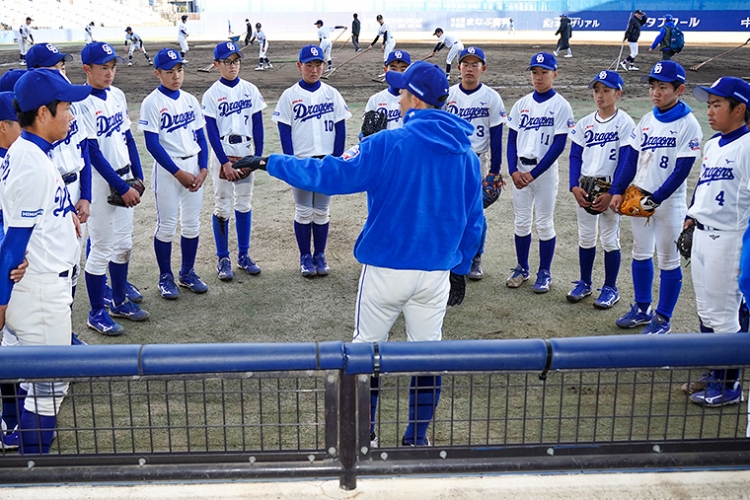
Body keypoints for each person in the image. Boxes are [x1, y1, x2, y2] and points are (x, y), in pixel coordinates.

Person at [234, 60, 484, 448]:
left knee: (366, 352)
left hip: (385, 270)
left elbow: (330, 175)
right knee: (429, 358)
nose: (398, 98)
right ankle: (416, 439)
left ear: (415, 99)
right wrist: (461, 268)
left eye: (402, 91)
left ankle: (364, 433)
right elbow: (474, 222)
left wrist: (272, 162)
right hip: (435, 273)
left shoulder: (389, 143)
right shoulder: (466, 154)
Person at [0, 68, 91, 453]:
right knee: (50, 388)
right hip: (39, 290)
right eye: (66, 107)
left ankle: (15, 441)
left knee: (25, 378)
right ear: (42, 113)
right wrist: (0, 306)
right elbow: (12, 244)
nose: (71, 115)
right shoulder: (31, 162)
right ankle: (31, 476)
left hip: (37, 284)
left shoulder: (32, 152)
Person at [609, 60, 702, 334]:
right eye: (653, 87)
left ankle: (662, 318)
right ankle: (642, 308)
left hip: (668, 203)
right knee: (640, 253)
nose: (656, 92)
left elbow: (682, 170)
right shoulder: (648, 120)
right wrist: (617, 190)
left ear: (679, 89)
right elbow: (630, 159)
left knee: (668, 260)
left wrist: (657, 198)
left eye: (663, 87)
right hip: (639, 198)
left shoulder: (688, 124)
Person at [687, 77, 750, 406]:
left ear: (739, 109)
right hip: (702, 234)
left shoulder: (748, 146)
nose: (709, 111)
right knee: (706, 310)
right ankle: (715, 371)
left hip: (729, 239)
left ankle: (730, 385)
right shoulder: (713, 144)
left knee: (725, 314)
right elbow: (703, 186)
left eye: (717, 105)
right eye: (709, 104)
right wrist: (690, 214)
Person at [79, 42, 149, 336]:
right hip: (101, 182)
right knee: (102, 248)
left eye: (112, 67)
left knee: (123, 245)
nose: (109, 73)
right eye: (103, 67)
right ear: (87, 69)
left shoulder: (118, 95)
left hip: (125, 178)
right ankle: (96, 312)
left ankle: (118, 301)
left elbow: (128, 138)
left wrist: (139, 176)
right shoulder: (82, 102)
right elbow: (92, 151)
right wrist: (121, 186)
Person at [26, 43, 93, 333]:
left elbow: (84, 151)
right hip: (55, 198)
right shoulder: (36, 119)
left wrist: (87, 196)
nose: (61, 71)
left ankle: (65, 330)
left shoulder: (67, 105)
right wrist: (67, 208)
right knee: (52, 270)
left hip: (75, 188)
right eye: (54, 67)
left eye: (62, 66)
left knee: (72, 264)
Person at [271, 45, 351, 277]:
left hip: (326, 161)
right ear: (300, 66)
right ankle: (305, 255)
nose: (314, 69)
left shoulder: (332, 93)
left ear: (323, 66)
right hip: (302, 162)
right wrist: (291, 163)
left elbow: (340, 127)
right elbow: (284, 130)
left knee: (322, 211)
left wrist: (336, 160)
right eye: (309, 64)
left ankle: (320, 254)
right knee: (304, 211)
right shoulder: (290, 95)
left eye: (318, 64)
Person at [139, 48, 209, 299]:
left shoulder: (190, 99)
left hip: (192, 166)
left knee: (191, 224)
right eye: (169, 71)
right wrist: (178, 172)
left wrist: (203, 168)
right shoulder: (152, 102)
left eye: (179, 69)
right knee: (167, 226)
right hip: (170, 171)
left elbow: (201, 136)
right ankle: (165, 276)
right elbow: (152, 144)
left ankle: (187, 272)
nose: (176, 75)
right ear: (157, 73)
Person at [506, 52, 575, 293]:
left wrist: (533, 174)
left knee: (544, 223)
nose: (538, 76)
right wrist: (513, 170)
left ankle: (544, 271)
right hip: (521, 170)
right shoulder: (521, 104)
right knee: (522, 221)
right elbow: (511, 139)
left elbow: (558, 145)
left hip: (543, 172)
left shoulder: (561, 105)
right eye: (535, 72)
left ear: (554, 74)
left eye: (544, 72)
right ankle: (522, 268)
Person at [567, 70, 635, 308]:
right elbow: (575, 156)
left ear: (618, 93)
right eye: (597, 90)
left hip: (610, 189)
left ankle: (610, 288)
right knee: (586, 237)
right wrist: (574, 186)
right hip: (585, 186)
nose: (600, 95)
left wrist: (614, 192)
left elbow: (627, 160)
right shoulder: (585, 123)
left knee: (609, 239)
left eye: (606, 90)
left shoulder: (624, 122)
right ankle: (585, 283)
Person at [202, 42, 266, 281]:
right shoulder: (211, 94)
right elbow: (210, 130)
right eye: (227, 62)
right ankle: (223, 258)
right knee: (222, 205)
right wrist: (223, 162)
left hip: (245, 149)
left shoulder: (250, 90)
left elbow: (258, 125)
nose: (232, 66)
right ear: (216, 64)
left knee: (244, 203)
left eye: (236, 61)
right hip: (223, 150)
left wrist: (257, 157)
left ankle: (244, 255)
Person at [446, 46, 506, 280]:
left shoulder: (491, 97)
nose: (470, 68)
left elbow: (497, 137)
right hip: (451, 162)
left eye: (475, 64)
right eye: (466, 64)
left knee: (476, 213)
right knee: (451, 211)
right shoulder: (448, 95)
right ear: (459, 67)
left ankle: (475, 257)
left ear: (483, 68)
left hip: (477, 162)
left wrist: (494, 171)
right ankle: (452, 254)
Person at [363, 50, 411, 131]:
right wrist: (364, 136)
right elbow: (364, 132)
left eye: (403, 69)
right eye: (393, 69)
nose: (398, 73)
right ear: (385, 70)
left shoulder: (416, 99)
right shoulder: (375, 99)